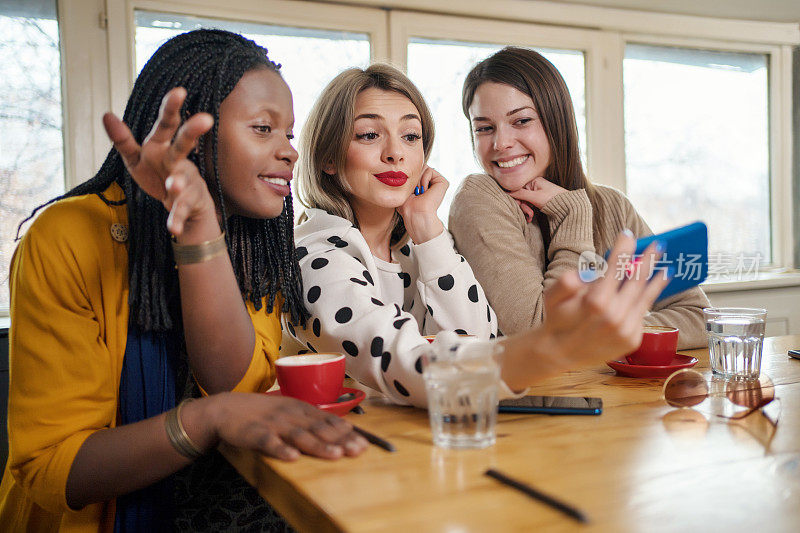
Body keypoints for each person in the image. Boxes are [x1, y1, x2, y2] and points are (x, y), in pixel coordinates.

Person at [0, 29, 366, 532]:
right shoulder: (67, 237)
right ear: (190, 138)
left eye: (289, 133)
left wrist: (201, 234)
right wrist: (206, 420)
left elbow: (231, 383)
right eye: (263, 129)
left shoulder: (254, 245)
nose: (289, 152)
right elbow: (54, 468)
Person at [284, 64, 670, 409]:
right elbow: (404, 364)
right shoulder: (316, 251)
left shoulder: (414, 245)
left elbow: (478, 337)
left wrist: (425, 225)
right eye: (369, 135)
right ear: (328, 159)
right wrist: (553, 348)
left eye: (410, 136)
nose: (395, 153)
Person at [449, 46, 710, 349]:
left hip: (619, 396)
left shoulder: (611, 206)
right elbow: (542, 330)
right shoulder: (480, 200)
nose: (501, 142)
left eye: (521, 121)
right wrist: (572, 214)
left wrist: (605, 332)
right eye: (484, 128)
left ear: (556, 120)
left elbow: (699, 317)